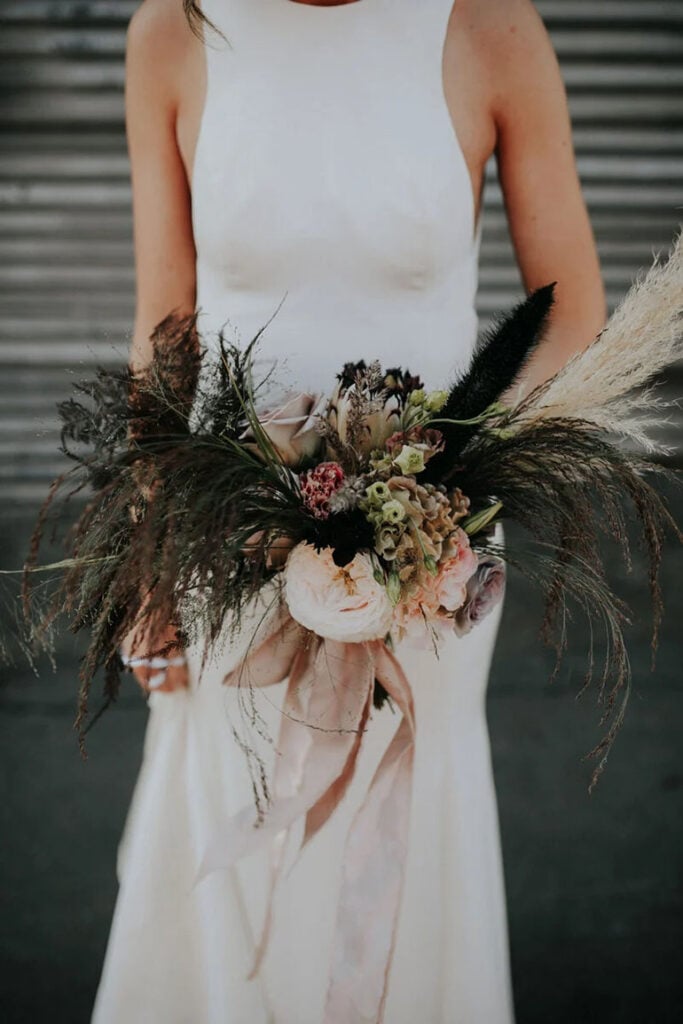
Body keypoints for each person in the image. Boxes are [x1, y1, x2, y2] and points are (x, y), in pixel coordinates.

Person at [92, 1, 606, 1021]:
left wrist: (443, 482)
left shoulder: (487, 29)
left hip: (432, 542)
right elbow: (167, 326)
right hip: (225, 535)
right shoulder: (173, 33)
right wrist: (145, 551)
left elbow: (570, 308)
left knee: (401, 815)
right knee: (226, 825)